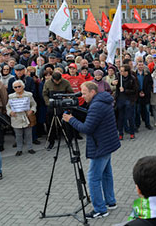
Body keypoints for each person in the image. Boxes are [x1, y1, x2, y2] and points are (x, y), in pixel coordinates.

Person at [63, 81, 121, 219]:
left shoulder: (97, 105)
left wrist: (70, 119)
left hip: (100, 145)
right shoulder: (103, 101)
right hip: (107, 143)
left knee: (94, 178)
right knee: (107, 174)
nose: (82, 96)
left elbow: (87, 128)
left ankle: (100, 209)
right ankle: (110, 202)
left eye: (84, 93)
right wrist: (76, 109)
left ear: (92, 92)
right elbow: (91, 117)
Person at [42, 72, 74, 150]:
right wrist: (48, 102)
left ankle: (68, 140)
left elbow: (71, 92)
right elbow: (44, 94)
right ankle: (51, 141)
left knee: (66, 123)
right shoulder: (48, 83)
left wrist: (67, 99)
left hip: (62, 105)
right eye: (55, 81)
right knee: (50, 124)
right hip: (51, 105)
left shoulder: (65, 82)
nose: (57, 82)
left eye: (58, 80)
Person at [6, 80, 37, 156]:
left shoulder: (29, 95)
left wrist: (32, 111)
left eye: (19, 86)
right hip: (16, 118)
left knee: (28, 134)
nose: (17, 88)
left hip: (27, 117)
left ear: (23, 86)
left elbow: (34, 104)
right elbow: (8, 107)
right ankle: (19, 149)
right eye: (15, 87)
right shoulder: (11, 96)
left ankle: (30, 148)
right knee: (18, 135)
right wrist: (10, 112)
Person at [114, 64, 138, 140]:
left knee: (130, 117)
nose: (120, 72)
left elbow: (135, 90)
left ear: (126, 71)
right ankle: (120, 133)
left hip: (129, 100)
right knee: (120, 118)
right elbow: (114, 82)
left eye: (122, 71)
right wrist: (113, 83)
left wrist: (125, 90)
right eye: (120, 70)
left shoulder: (132, 78)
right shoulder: (118, 76)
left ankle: (132, 133)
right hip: (120, 99)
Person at [135, 61, 153, 131]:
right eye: (139, 65)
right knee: (138, 111)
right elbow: (134, 85)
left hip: (146, 95)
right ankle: (137, 125)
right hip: (137, 95)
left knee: (147, 111)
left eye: (142, 65)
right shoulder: (134, 74)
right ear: (137, 66)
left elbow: (150, 83)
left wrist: (145, 92)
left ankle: (148, 124)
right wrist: (139, 92)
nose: (141, 66)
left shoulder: (147, 74)